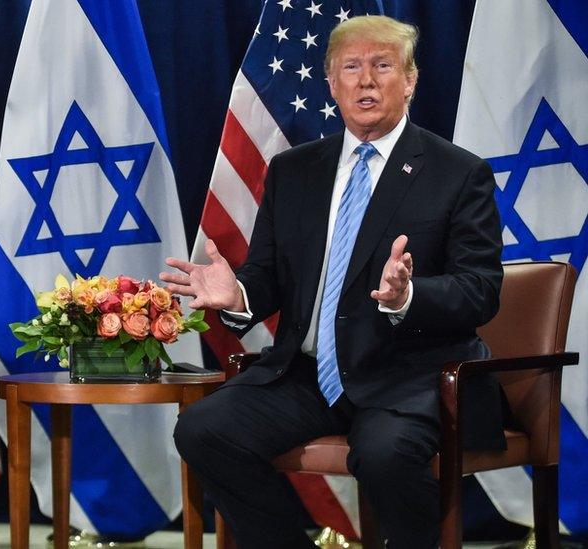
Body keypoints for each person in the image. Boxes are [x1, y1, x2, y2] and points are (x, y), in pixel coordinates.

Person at [162, 15, 504, 548]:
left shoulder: (458, 173)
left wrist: (410, 296)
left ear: (410, 80)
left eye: (382, 66)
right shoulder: (294, 171)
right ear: (331, 83)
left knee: (385, 454)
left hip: (407, 378)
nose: (365, 81)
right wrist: (239, 296)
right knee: (204, 430)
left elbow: (480, 289)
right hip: (306, 377)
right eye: (351, 67)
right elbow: (267, 277)